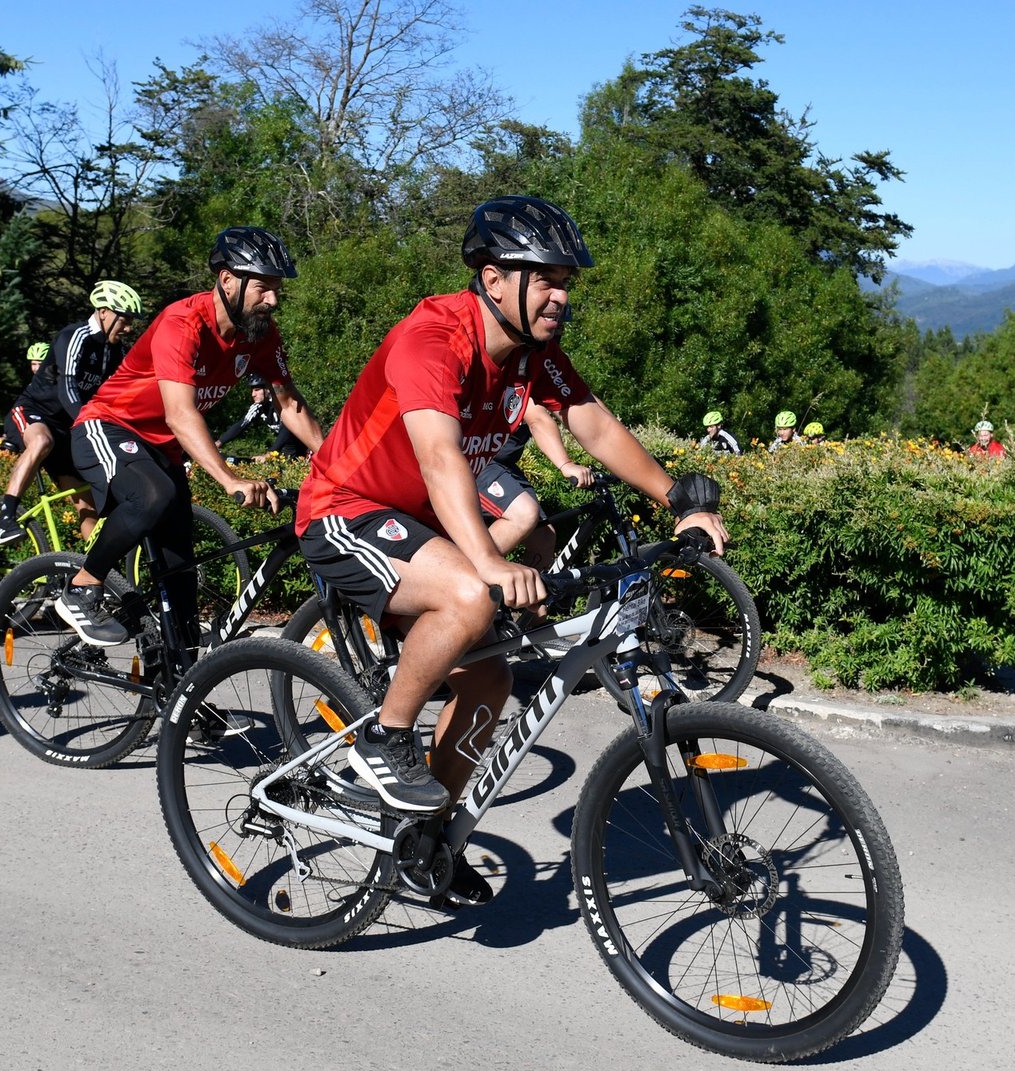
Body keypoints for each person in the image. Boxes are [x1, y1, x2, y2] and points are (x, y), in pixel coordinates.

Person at [294, 195, 729, 904]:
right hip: (346, 511)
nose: (561, 295)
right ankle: (385, 737)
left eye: (567, 281)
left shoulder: (532, 355)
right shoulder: (432, 338)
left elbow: (592, 423)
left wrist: (676, 497)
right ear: (493, 279)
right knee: (468, 596)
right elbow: (439, 459)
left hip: (415, 522)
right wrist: (489, 565)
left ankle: (424, 839)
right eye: (545, 278)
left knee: (492, 682)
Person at [55, 228, 322, 649]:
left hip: (162, 449)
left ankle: (182, 696)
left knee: (180, 574)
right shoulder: (183, 322)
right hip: (108, 426)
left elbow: (290, 405)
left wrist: (335, 463)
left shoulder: (261, 335)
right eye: (264, 289)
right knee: (153, 495)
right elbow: (180, 413)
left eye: (277, 290)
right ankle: (82, 587)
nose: (273, 300)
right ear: (227, 279)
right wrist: (229, 478)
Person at [0, 282, 144, 547]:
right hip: (34, 412)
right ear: (105, 311)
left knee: (86, 503)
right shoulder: (75, 336)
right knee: (42, 441)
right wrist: (88, 426)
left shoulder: (116, 351)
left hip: (68, 426)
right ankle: (5, 519)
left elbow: (129, 395)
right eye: (125, 319)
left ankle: (97, 574)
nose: (129, 328)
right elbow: (68, 388)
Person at [474, 386, 593, 571]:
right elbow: (537, 420)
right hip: (476, 462)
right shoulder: (512, 375)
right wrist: (565, 464)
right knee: (522, 514)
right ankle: (460, 583)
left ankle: (528, 600)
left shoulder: (530, 378)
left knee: (543, 539)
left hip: (503, 466)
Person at [215, 372, 315, 460]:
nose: (253, 394)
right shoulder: (258, 406)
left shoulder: (280, 404)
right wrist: (219, 443)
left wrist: (270, 453)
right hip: (288, 448)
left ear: (268, 389)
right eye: (252, 390)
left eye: (257, 390)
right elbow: (242, 424)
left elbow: (287, 429)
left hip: (306, 447)